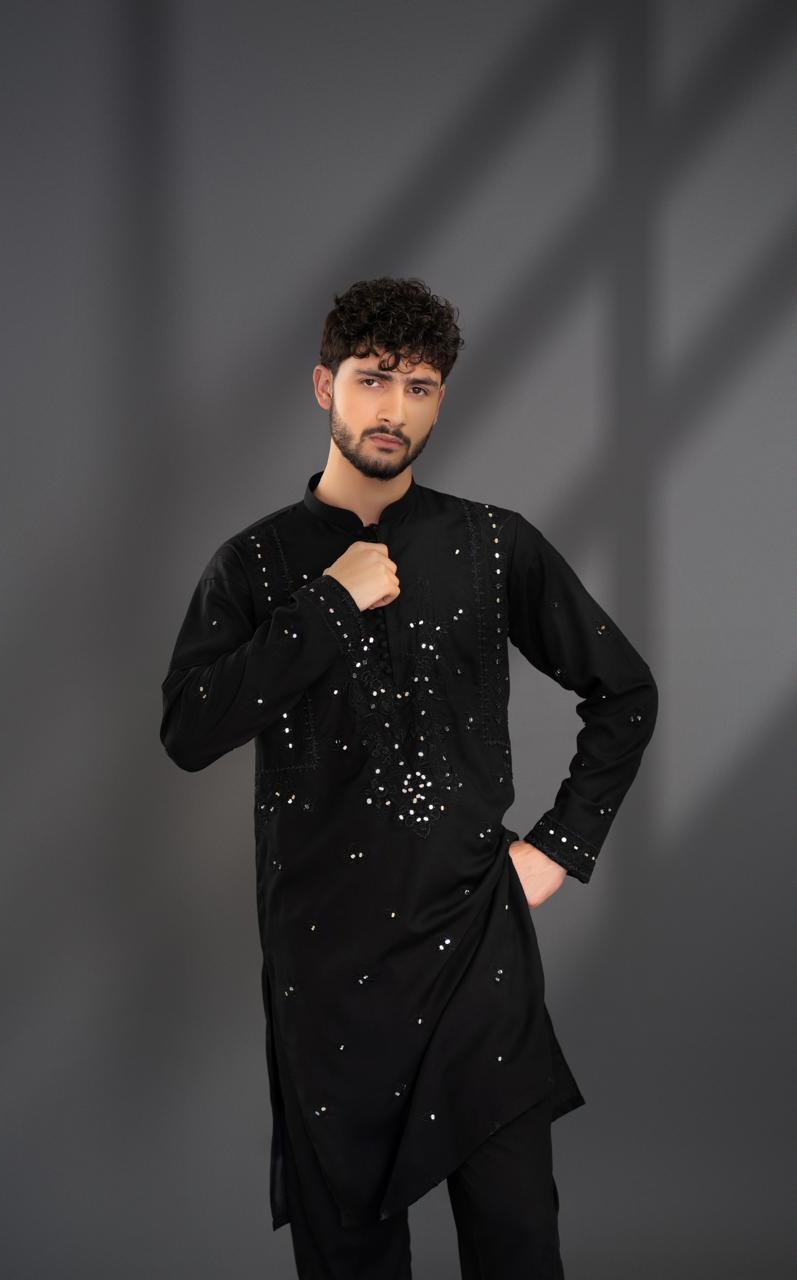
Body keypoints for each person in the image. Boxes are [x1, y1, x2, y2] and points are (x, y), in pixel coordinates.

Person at [159, 276, 658, 1278]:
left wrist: (558, 846)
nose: (393, 408)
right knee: (349, 1253)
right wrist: (328, 604)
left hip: (475, 947)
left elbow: (625, 690)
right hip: (326, 968)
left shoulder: (491, 543)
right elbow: (190, 729)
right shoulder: (255, 564)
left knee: (516, 1241)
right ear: (325, 386)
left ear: (439, 401)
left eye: (419, 386)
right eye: (372, 379)